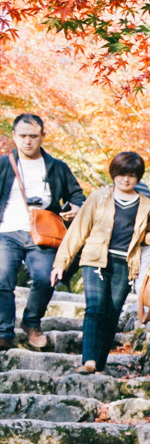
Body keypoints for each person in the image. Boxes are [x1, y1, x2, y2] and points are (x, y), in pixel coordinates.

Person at [51, 151, 150, 373]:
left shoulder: (147, 206)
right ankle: (89, 361)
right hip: (95, 260)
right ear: (113, 173)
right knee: (95, 308)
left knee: (112, 313)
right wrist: (60, 264)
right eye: (121, 173)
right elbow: (78, 231)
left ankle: (99, 364)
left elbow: (144, 236)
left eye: (132, 175)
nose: (126, 179)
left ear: (138, 178)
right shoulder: (98, 197)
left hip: (125, 263)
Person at [0, 114, 87, 351]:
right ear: (14, 137)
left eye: (33, 136)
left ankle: (31, 322)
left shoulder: (57, 166)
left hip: (44, 232)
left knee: (46, 277)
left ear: (42, 137)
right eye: (22, 136)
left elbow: (77, 195)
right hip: (6, 231)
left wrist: (75, 208)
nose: (27, 141)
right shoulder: (3, 164)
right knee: (2, 280)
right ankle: (3, 332)